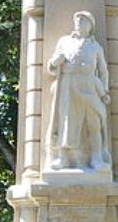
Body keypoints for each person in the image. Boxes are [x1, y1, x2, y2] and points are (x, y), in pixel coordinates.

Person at [45, 11, 112, 171]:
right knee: (65, 122)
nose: (78, 21)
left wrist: (105, 91)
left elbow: (103, 70)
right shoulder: (64, 41)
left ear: (90, 25)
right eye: (77, 19)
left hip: (89, 84)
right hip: (68, 83)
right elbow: (52, 67)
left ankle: (96, 158)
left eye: (83, 19)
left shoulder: (96, 46)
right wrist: (55, 61)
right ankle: (62, 158)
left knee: (94, 121)